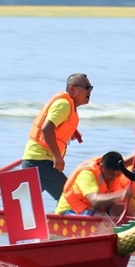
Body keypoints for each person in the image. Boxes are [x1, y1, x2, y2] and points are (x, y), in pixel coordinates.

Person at [20, 73, 93, 201]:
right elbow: (46, 128)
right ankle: (73, 220)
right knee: (70, 198)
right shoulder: (64, 105)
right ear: (72, 89)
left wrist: (71, 132)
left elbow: (56, 128)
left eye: (91, 88)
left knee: (27, 204)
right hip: (40, 162)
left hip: (36, 160)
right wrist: (57, 156)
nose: (90, 91)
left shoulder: (69, 107)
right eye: (87, 87)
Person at [55, 151, 135, 216]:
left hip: (94, 209)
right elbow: (95, 201)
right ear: (102, 167)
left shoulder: (117, 167)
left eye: (117, 175)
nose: (114, 178)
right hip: (70, 210)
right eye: (111, 174)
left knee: (123, 208)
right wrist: (120, 194)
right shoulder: (87, 173)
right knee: (100, 218)